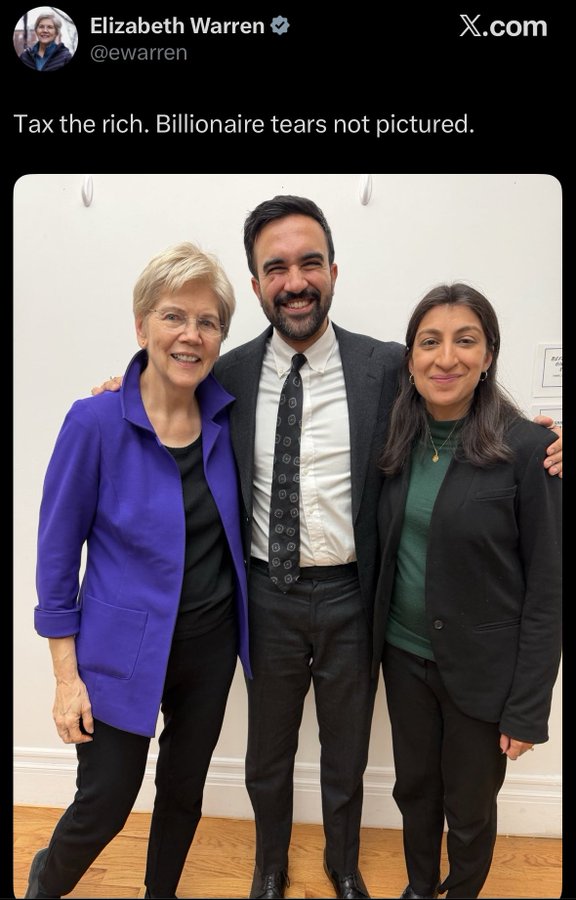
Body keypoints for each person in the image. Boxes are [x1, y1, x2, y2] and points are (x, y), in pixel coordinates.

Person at [94, 196, 563, 900]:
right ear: (256, 285)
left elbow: (460, 389)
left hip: (352, 596)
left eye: (309, 262)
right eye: (275, 267)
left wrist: (543, 438)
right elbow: (163, 388)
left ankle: (344, 867)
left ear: (333, 271)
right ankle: (269, 866)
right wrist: (115, 390)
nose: (295, 280)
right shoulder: (228, 374)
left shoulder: (389, 366)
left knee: (345, 753)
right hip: (265, 596)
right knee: (267, 755)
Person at [25, 242, 251, 900]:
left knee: (182, 794)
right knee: (106, 801)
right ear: (141, 324)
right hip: (118, 647)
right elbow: (56, 556)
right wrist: (66, 679)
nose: (191, 334)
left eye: (208, 322)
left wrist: (524, 436)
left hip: (209, 645)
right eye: (174, 316)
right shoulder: (94, 421)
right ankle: (46, 881)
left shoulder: (229, 417)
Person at [373, 283, 562, 900]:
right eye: (430, 342)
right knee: (414, 791)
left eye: (465, 341)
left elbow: (548, 590)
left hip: (485, 672)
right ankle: (419, 886)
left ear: (488, 356)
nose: (445, 358)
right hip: (404, 658)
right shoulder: (395, 440)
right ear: (411, 358)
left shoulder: (530, 450)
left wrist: (529, 706)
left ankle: (463, 892)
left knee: (471, 807)